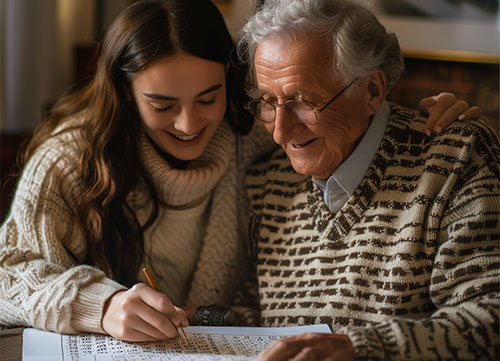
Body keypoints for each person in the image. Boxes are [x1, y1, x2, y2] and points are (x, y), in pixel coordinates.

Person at [0, 0, 483, 343]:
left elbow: (485, 320)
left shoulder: (251, 138)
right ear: (125, 96)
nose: (190, 124)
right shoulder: (74, 159)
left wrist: (438, 123)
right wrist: (102, 306)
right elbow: (7, 276)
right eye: (162, 104)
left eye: (209, 98)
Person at [237, 0, 500, 360]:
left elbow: (489, 320)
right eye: (268, 101)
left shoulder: (455, 160)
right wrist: (195, 318)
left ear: (372, 91)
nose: (281, 133)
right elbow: (259, 318)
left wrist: (358, 350)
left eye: (302, 100)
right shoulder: (269, 180)